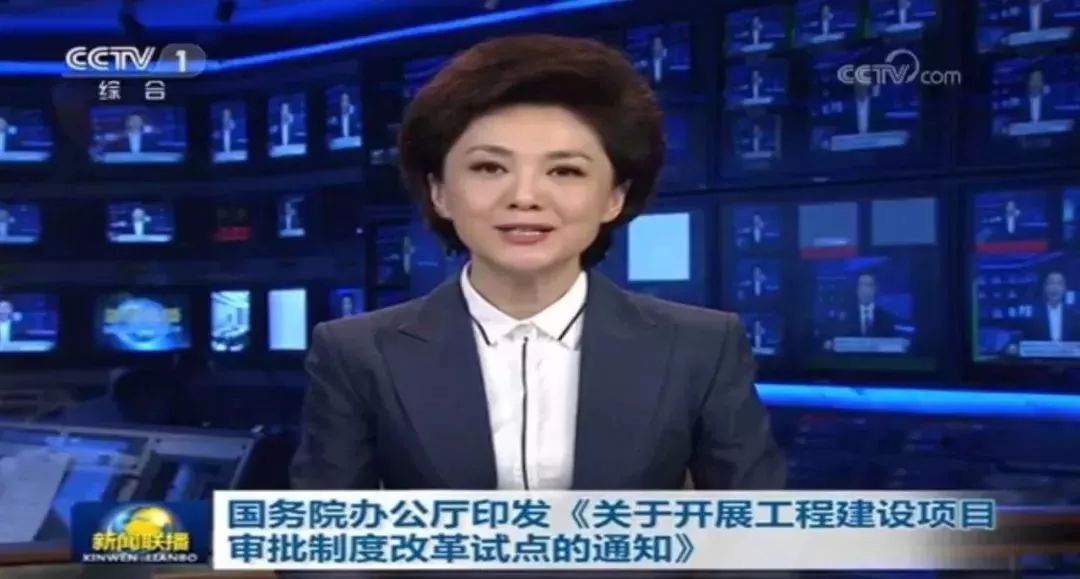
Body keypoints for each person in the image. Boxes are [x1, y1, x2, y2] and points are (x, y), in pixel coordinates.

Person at [291, 35, 785, 497]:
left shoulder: (701, 347)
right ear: (439, 191)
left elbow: (759, 532)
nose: (525, 197)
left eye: (564, 171)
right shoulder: (358, 353)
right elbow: (324, 538)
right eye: (489, 168)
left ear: (614, 197)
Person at [1025, 271, 1080, 342]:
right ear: (1045, 288)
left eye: (1059, 284)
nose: (1054, 288)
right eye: (1051, 283)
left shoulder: (1075, 316)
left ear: (1065, 289)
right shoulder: (1033, 315)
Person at [840, 273, 898, 337]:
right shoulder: (847, 317)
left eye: (868, 285)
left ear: (875, 289)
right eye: (861, 285)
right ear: (857, 289)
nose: (864, 290)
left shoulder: (886, 318)